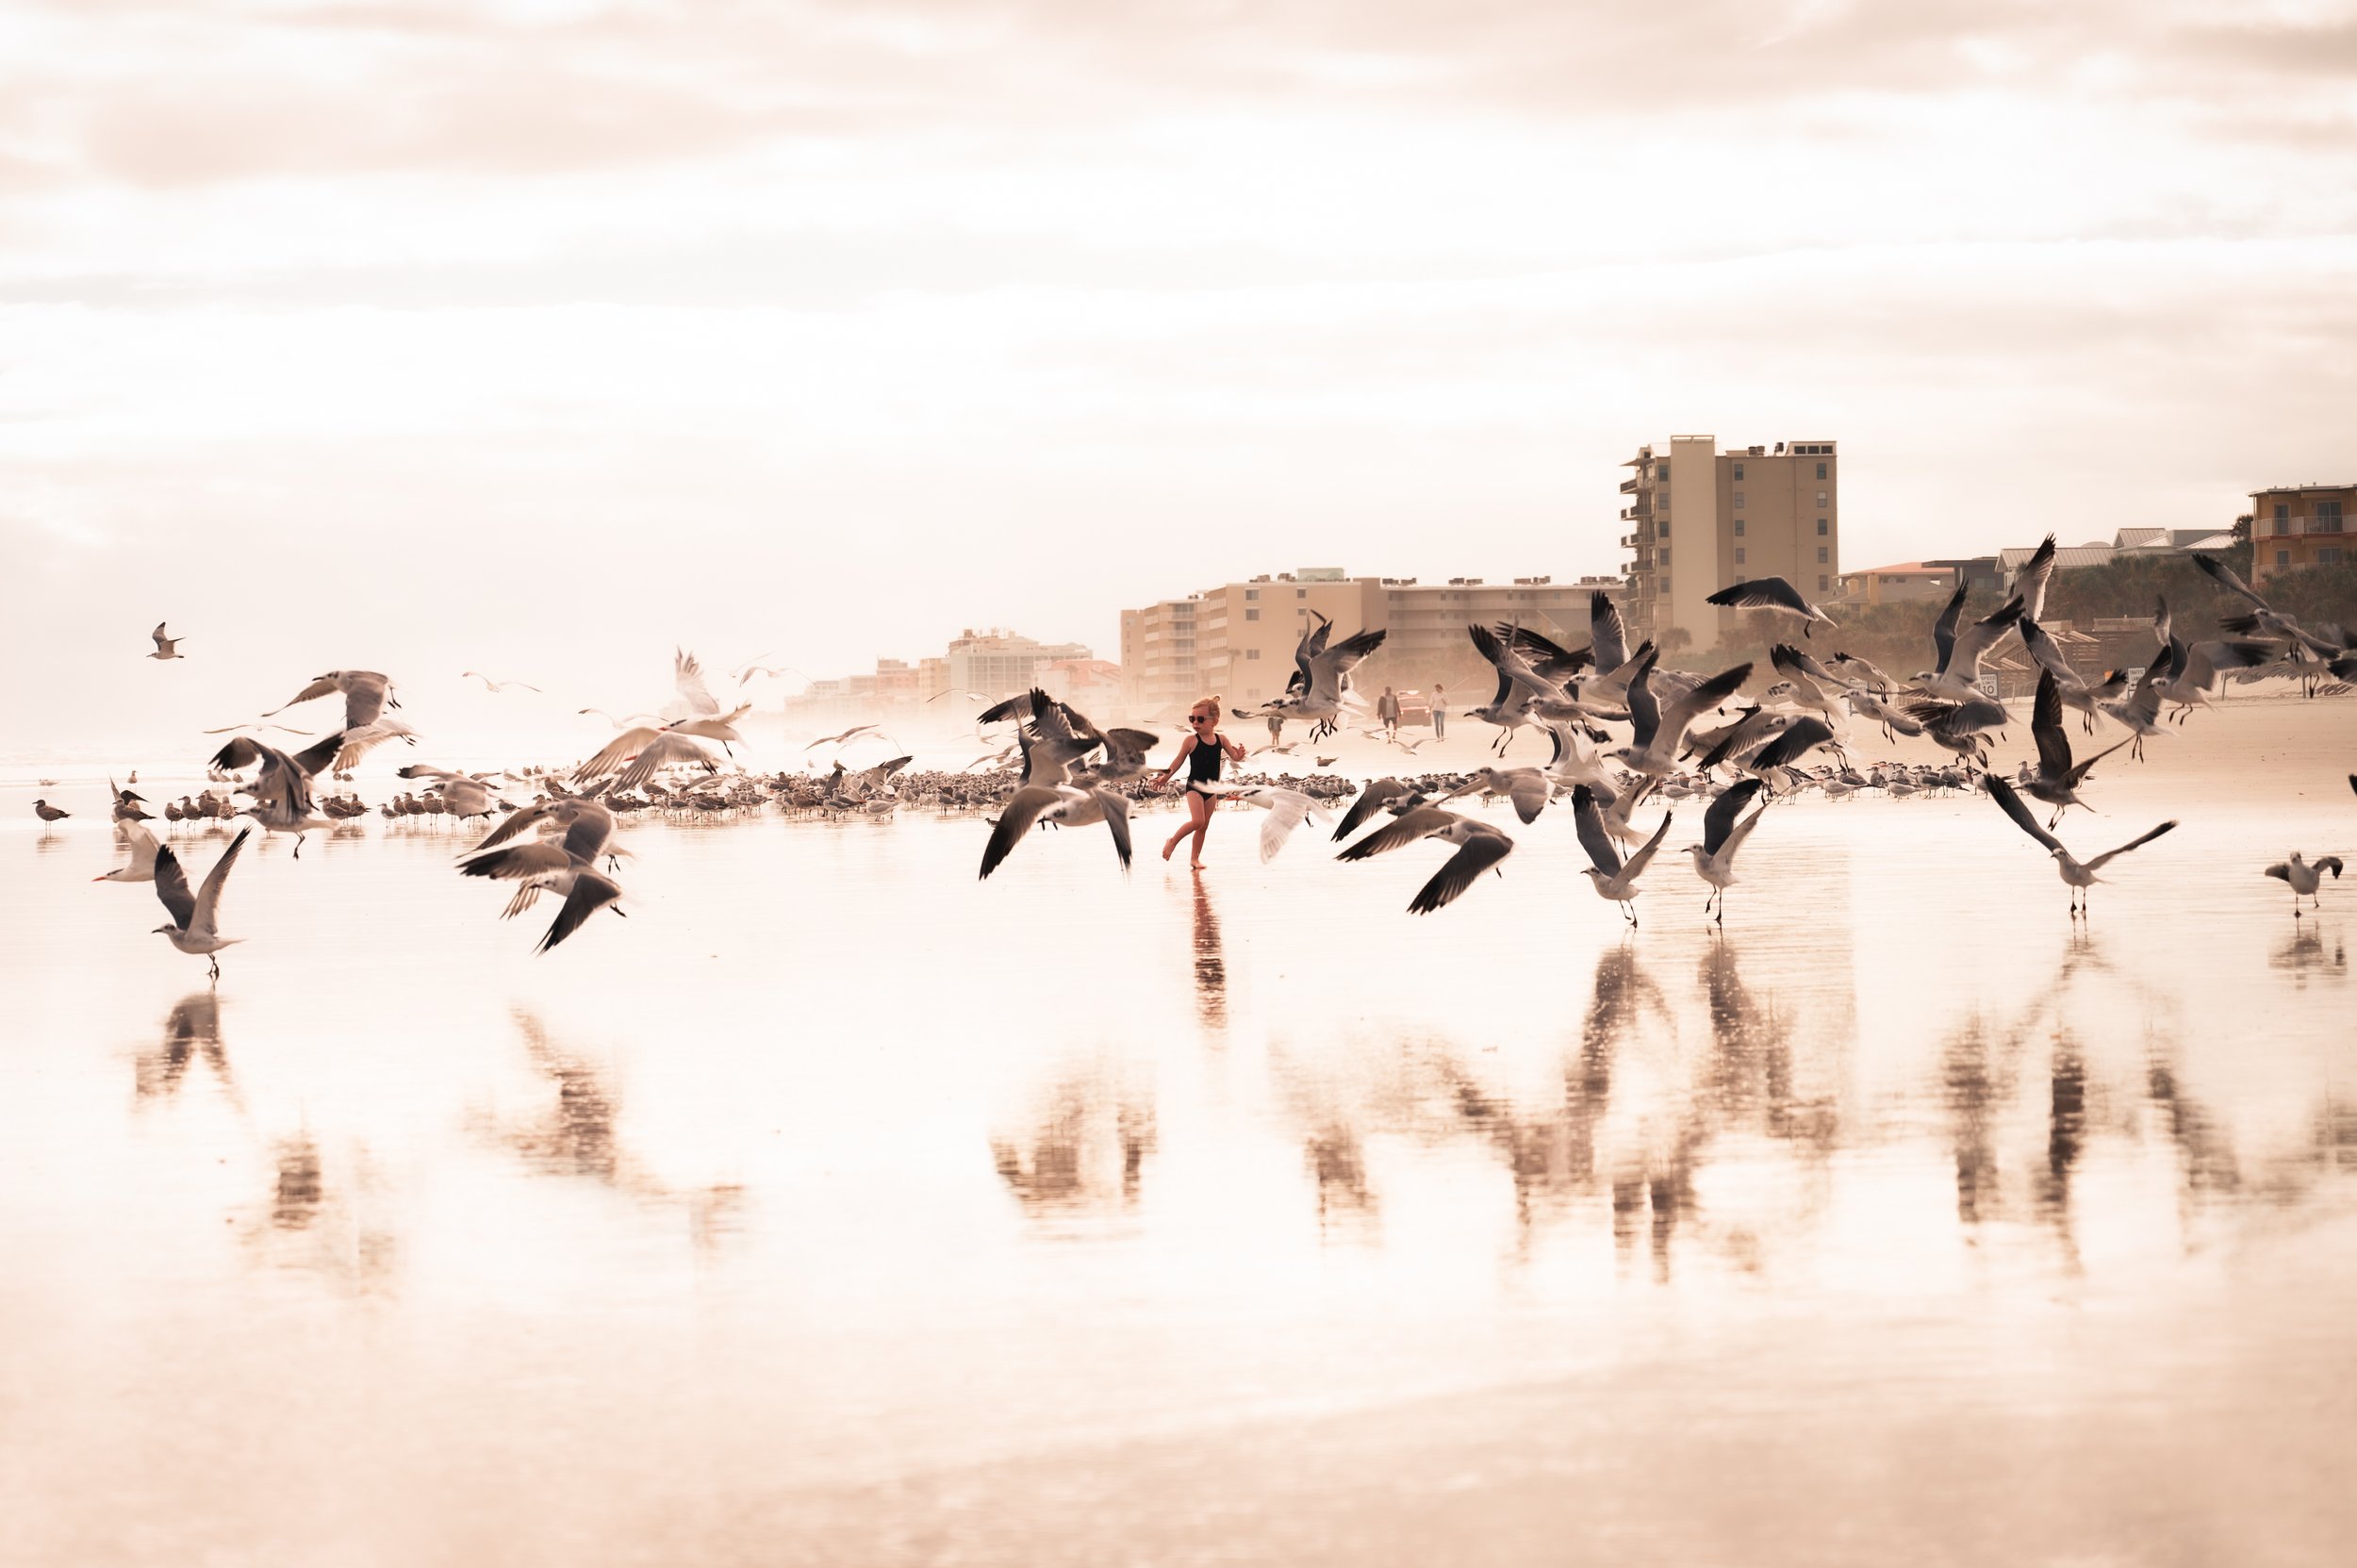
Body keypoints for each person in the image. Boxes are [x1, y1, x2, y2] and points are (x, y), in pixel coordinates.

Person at [1155, 696, 1246, 868]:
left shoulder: (1221, 740)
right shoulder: (1191, 740)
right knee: (1197, 821)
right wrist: (1165, 776)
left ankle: (1194, 859)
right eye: (1192, 719)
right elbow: (1178, 761)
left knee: (1203, 827)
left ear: (1215, 721)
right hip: (1194, 788)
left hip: (1211, 789)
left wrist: (1240, 755)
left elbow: (1234, 757)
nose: (1195, 723)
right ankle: (1173, 841)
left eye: (1200, 719)